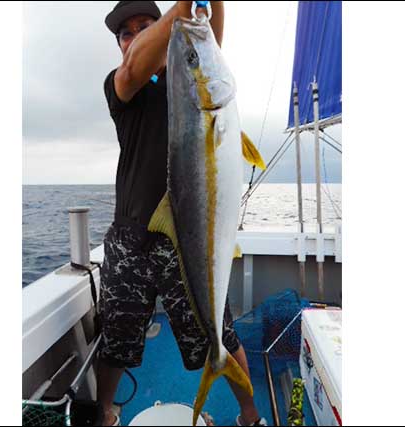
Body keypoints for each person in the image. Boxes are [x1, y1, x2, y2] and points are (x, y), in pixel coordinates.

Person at [98, 2, 266, 426]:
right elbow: (135, 67)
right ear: (119, 44)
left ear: (163, 28)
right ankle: (103, 413)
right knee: (115, 339)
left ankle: (250, 416)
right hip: (130, 235)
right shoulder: (121, 85)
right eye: (126, 32)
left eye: (144, 25)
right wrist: (181, 12)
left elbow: (208, 40)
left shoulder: (189, 79)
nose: (134, 36)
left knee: (219, 333)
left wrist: (204, 8)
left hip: (186, 233)